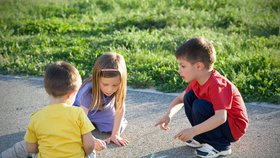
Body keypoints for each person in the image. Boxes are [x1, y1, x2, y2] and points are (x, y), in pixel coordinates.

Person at [155, 37, 248, 158]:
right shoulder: (197, 81)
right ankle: (203, 138)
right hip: (221, 122)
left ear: (199, 66)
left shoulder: (217, 84)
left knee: (200, 105)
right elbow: (179, 100)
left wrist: (193, 130)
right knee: (189, 97)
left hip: (233, 128)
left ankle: (221, 146)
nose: (179, 71)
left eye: (183, 66)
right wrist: (168, 115)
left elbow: (221, 117)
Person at [2, 61, 106, 158]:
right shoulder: (78, 113)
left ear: (47, 91)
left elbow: (30, 148)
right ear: (71, 94)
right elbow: (88, 145)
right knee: (92, 151)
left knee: (25, 145)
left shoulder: (36, 117)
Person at [73, 52, 128, 146]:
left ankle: (92, 123)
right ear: (97, 79)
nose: (110, 89)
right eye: (105, 84)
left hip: (100, 110)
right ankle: (89, 124)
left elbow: (120, 108)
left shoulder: (119, 88)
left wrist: (115, 134)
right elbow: (81, 118)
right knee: (73, 130)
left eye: (115, 85)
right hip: (80, 110)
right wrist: (92, 140)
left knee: (117, 126)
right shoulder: (88, 92)